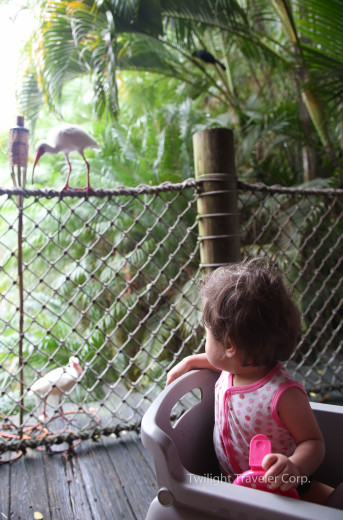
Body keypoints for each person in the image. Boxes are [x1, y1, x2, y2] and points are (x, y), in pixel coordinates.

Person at [167, 258, 342, 508]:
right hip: (232, 483)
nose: (204, 339)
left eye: (206, 332)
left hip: (283, 489)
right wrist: (190, 361)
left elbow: (313, 442)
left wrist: (294, 467)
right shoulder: (231, 367)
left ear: (229, 345)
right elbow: (215, 360)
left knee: (331, 505)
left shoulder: (282, 394)